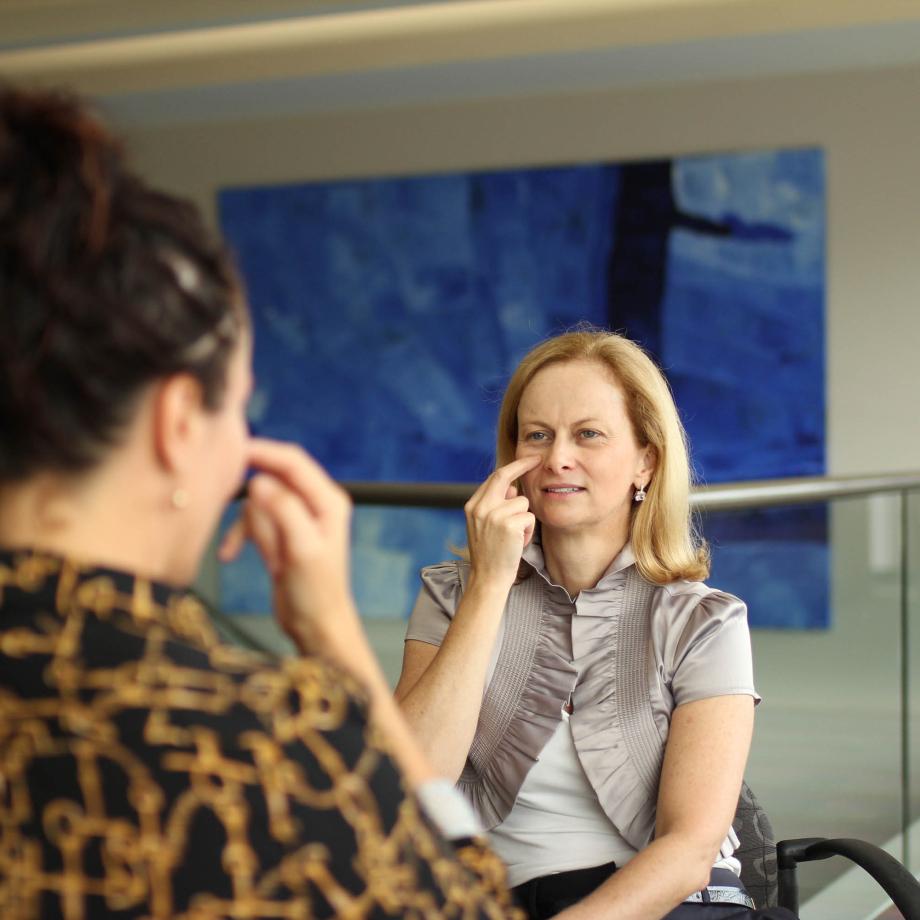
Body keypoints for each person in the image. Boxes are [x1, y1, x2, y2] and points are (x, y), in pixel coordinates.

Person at [0, 84, 521, 919]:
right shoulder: (269, 756)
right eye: (237, 406)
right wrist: (338, 643)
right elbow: (461, 901)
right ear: (177, 424)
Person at [396, 329, 796, 919]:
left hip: (666, 904)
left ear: (646, 462)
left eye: (588, 434)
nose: (558, 457)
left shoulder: (705, 621)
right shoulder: (452, 595)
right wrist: (488, 585)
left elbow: (689, 849)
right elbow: (410, 783)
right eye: (537, 435)